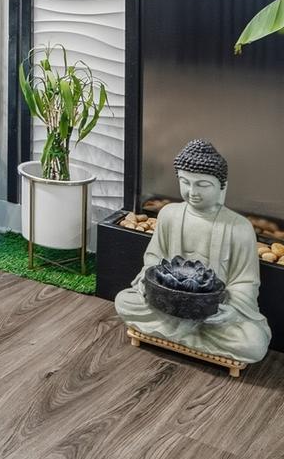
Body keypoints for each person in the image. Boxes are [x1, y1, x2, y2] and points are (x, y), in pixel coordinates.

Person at [114, 139, 271, 365]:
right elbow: (154, 259)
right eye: (185, 182)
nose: (192, 191)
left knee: (253, 343)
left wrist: (232, 310)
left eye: (203, 185)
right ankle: (190, 337)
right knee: (124, 301)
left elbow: (245, 282)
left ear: (222, 186)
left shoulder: (239, 227)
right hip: (168, 303)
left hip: (212, 313)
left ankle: (179, 335)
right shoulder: (169, 215)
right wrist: (146, 280)